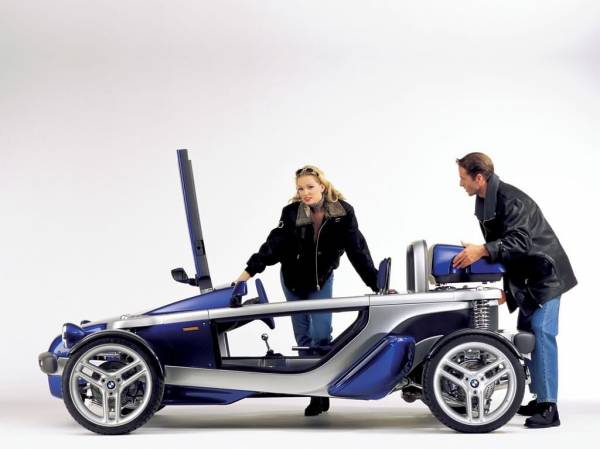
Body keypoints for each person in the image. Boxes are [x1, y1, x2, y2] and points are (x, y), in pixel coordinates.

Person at [235, 165, 380, 416]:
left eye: (310, 187)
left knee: (321, 335)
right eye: (300, 188)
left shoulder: (343, 213)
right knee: (303, 339)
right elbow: (273, 245)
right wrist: (246, 274)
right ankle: (316, 394)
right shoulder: (291, 213)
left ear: (322, 186)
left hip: (320, 281)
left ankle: (323, 388)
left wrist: (377, 284)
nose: (305, 193)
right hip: (292, 281)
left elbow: (357, 250)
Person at [453, 152, 577, 429]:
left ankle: (549, 408)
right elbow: (509, 253)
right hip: (529, 278)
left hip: (546, 277)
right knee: (527, 338)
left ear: (479, 178)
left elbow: (520, 243)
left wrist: (481, 250)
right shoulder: (486, 201)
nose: (460, 183)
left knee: (542, 334)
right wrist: (507, 291)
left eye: (463, 178)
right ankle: (539, 398)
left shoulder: (510, 200)